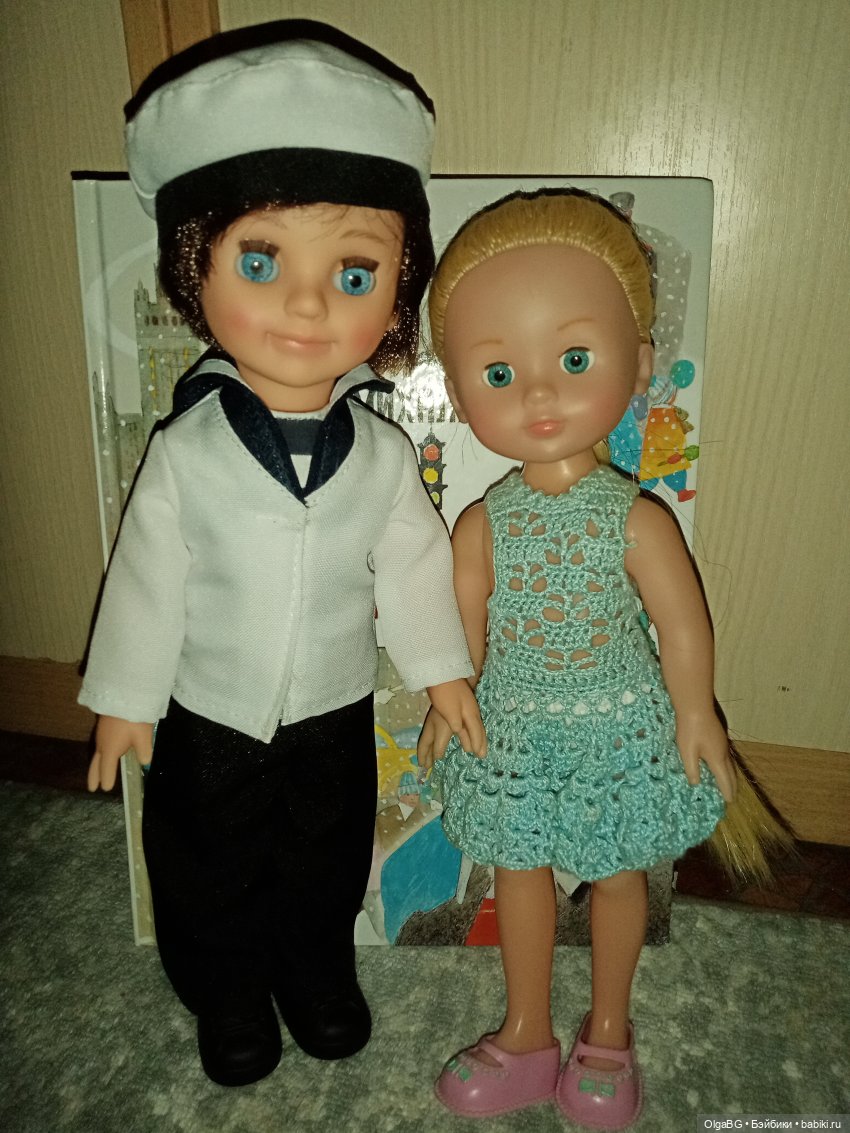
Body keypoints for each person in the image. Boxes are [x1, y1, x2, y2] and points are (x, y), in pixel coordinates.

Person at [79, 20, 483, 1088]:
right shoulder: (189, 449)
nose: (307, 303)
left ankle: (314, 971)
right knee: (206, 857)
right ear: (193, 269)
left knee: (324, 849)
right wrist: (126, 697)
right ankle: (225, 986)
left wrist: (443, 671)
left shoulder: (380, 452)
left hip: (331, 708)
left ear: (398, 285)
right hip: (209, 708)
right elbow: (147, 576)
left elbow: (413, 564)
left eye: (354, 270)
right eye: (260, 262)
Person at [418, 187, 737, 1128]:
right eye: (499, 372)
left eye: (572, 359)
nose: (540, 394)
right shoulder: (482, 524)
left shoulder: (635, 516)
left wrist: (695, 709)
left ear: (638, 363)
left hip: (617, 724)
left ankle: (608, 1028)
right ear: (457, 391)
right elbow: (460, 630)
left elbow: (682, 625)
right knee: (516, 868)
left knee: (619, 870)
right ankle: (525, 1031)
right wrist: (447, 698)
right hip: (514, 726)